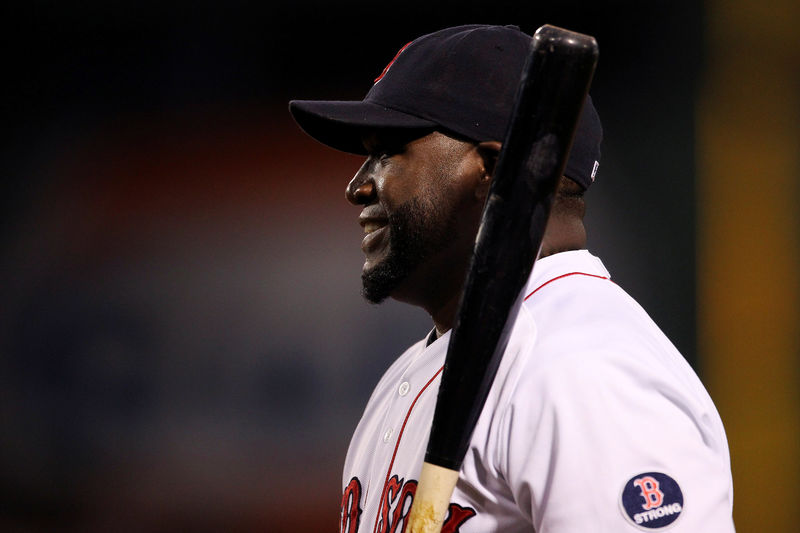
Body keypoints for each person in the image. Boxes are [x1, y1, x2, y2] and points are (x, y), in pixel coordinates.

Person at [289, 24, 735, 533]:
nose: (357, 186)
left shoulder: (581, 369)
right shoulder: (409, 376)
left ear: (493, 168)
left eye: (388, 151)